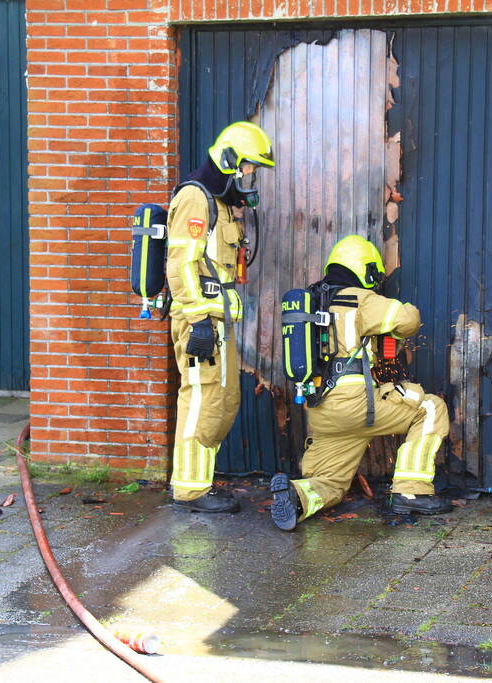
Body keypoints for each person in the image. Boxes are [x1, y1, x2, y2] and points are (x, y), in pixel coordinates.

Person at [270, 235, 453, 530]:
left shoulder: (313, 301)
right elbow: (407, 321)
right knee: (431, 408)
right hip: (357, 406)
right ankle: (411, 492)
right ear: (364, 268)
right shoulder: (359, 299)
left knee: (330, 482)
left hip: (321, 412)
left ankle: (298, 496)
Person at [166, 121, 274, 512]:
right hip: (200, 320)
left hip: (218, 321)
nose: (250, 176)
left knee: (224, 401)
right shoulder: (196, 198)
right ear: (229, 161)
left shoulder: (221, 203)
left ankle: (201, 481)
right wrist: (197, 320)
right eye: (248, 167)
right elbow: (181, 264)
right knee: (202, 398)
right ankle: (190, 490)